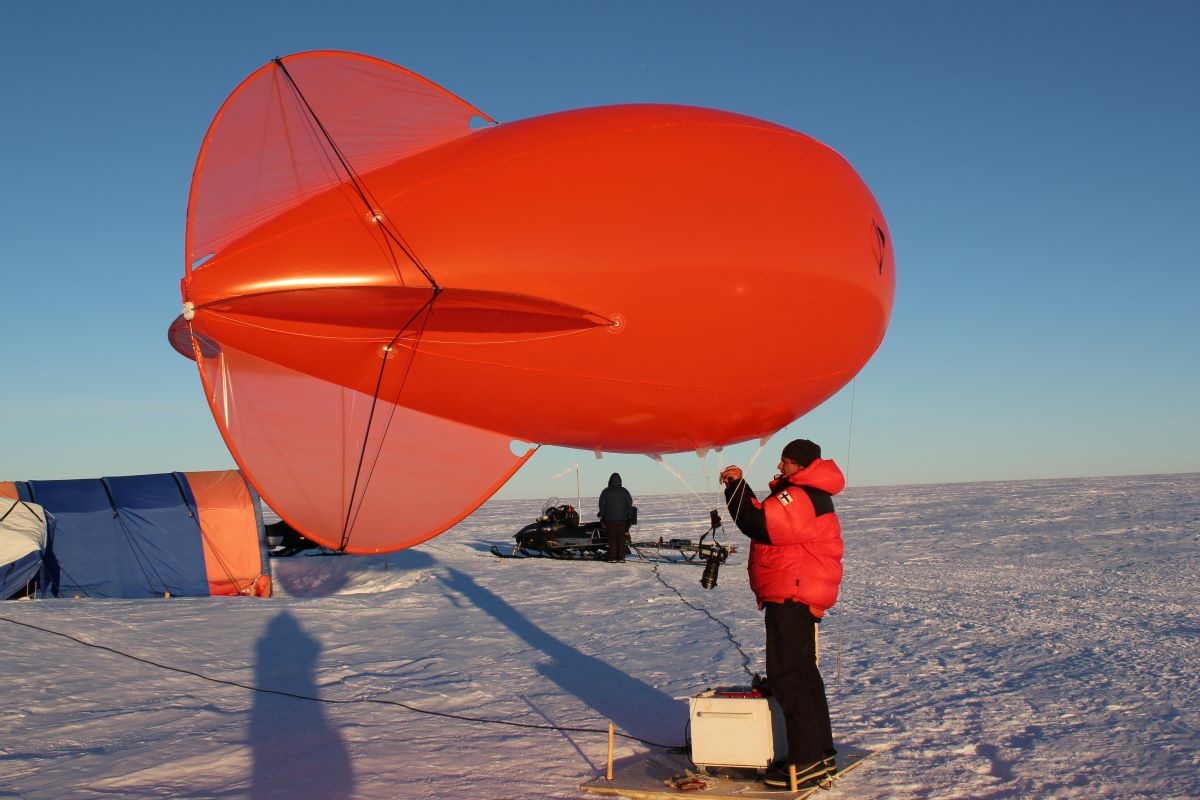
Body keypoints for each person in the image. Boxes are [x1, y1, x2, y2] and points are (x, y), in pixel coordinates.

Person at [719, 439, 844, 789]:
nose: (780, 465)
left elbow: (761, 524)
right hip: (797, 593)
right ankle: (820, 753)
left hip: (792, 594)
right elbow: (771, 517)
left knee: (788, 676)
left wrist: (734, 486)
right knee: (803, 674)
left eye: (786, 461)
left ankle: (806, 763)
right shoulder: (805, 492)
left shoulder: (801, 495)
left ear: (800, 465)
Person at [597, 472, 634, 563]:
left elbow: (602, 505)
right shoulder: (624, 491)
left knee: (612, 539)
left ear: (610, 480)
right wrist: (628, 515)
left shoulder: (606, 491)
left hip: (610, 520)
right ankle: (621, 558)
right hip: (622, 520)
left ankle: (612, 558)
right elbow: (629, 503)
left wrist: (602, 515)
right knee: (621, 539)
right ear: (620, 480)